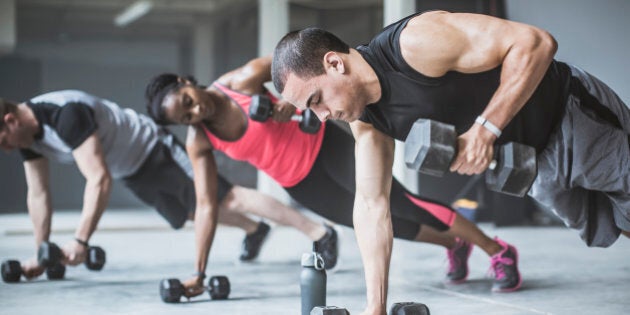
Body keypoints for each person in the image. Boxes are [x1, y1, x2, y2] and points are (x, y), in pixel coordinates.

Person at [271, 10, 630, 314]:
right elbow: (370, 205)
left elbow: (536, 42)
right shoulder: (367, 122)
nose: (319, 117)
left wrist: (485, 129)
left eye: (316, 99)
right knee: (606, 225)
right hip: (530, 161)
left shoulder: (415, 43)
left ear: (334, 63)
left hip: (569, 112)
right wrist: (375, 307)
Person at [144, 55, 522, 299]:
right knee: (375, 226)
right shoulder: (200, 142)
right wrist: (198, 271)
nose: (196, 111)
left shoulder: (239, 82)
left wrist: (284, 103)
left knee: (398, 203)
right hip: (301, 183)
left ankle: (497, 251)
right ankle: (453, 245)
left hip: (326, 147)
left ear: (186, 82)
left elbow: (296, 66)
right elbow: (208, 204)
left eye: (188, 101)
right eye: (186, 117)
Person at [0, 91, 333, 287]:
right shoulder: (29, 139)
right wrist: (42, 251)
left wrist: (80, 241)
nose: (5, 149)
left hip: (153, 149)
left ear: (10, 121)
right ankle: (255, 229)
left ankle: (319, 232)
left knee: (223, 197)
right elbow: (38, 194)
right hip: (132, 169)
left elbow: (98, 179)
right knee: (188, 213)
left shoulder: (65, 115)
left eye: (2, 140)